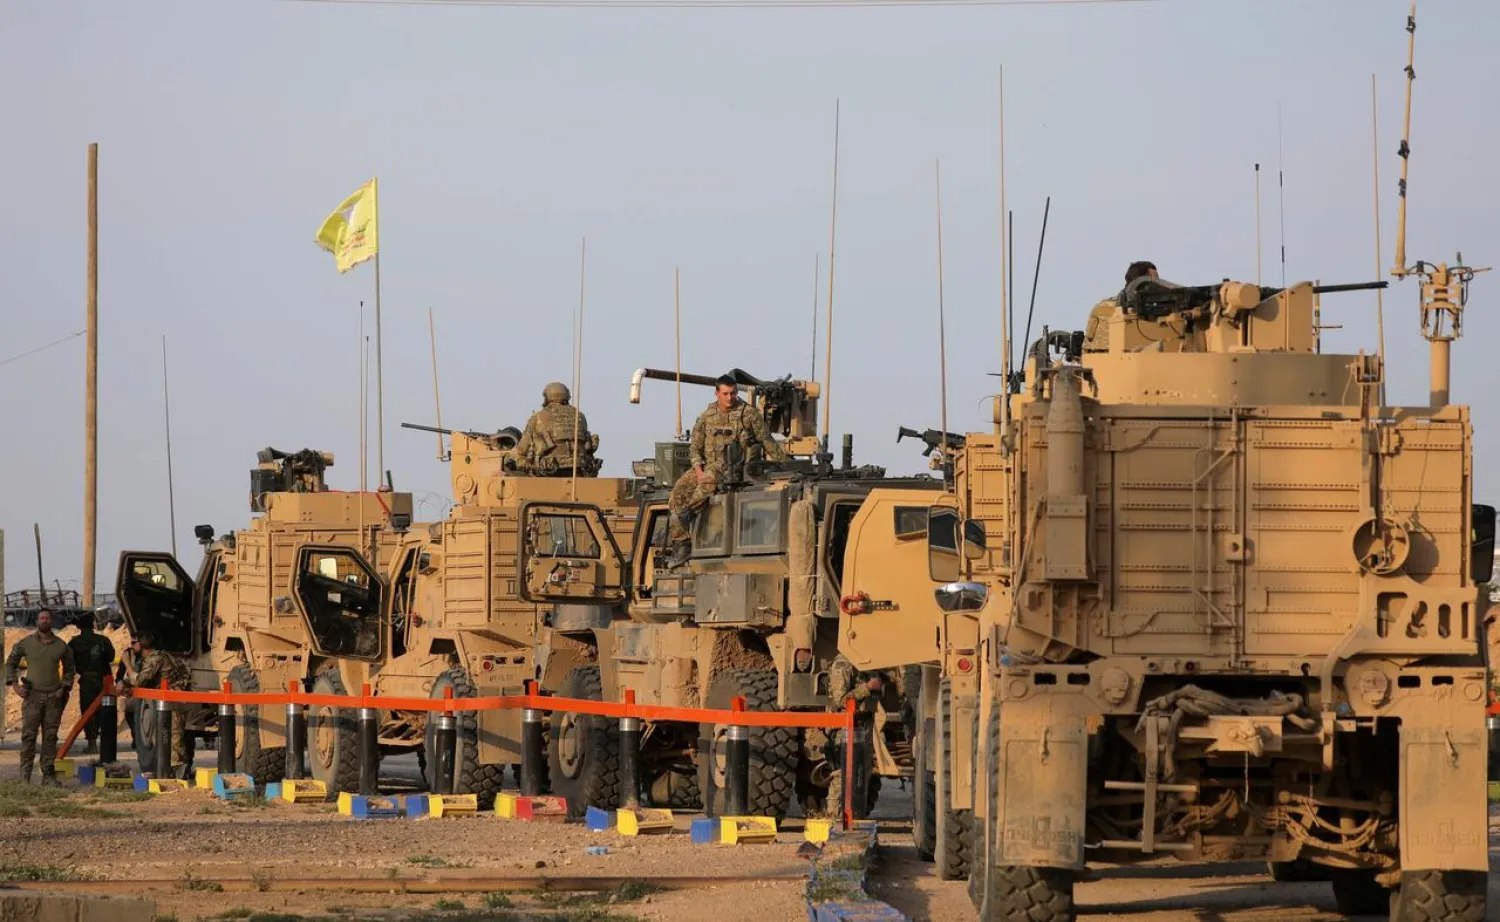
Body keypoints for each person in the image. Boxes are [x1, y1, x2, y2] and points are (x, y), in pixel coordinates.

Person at [665, 375, 788, 567]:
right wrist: (698, 469)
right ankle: (683, 543)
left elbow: (767, 441)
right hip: (705, 465)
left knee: (708, 482)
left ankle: (688, 514)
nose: (729, 397)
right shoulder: (707, 416)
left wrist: (786, 465)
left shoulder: (748, 414)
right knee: (676, 494)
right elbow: (695, 447)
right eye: (725, 394)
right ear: (717, 393)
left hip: (732, 467)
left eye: (733, 393)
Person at [4, 609, 76, 785]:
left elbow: (70, 669)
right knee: (28, 737)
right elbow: (10, 663)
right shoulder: (26, 643)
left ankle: (48, 776)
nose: (44, 620)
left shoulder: (61, 645)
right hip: (32, 697)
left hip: (54, 697)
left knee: (50, 738)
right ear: (37, 621)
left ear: (51, 621)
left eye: (47, 618)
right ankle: (24, 777)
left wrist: (64, 687)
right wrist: (15, 686)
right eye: (41, 618)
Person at [120, 633, 192, 778]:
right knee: (163, 739)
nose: (131, 647)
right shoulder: (151, 659)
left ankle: (179, 773)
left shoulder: (155, 658)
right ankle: (170, 772)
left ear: (142, 644)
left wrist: (127, 664)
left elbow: (140, 680)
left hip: (173, 702)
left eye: (134, 643)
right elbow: (144, 682)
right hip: (166, 702)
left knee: (174, 740)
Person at [506, 381, 601, 477]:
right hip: (579, 469)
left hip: (550, 470)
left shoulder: (538, 417)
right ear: (567, 396)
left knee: (510, 461)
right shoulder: (580, 416)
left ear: (547, 397)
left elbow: (522, 449)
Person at [1083, 260, 1161, 354]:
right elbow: (1087, 348)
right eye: (1154, 281)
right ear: (1140, 283)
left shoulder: (1163, 312)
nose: (1158, 285)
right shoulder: (1102, 309)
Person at [67, 613, 115, 755]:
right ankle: (105, 745)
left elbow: (69, 660)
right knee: (103, 711)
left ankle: (92, 744)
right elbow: (111, 657)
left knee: (87, 711)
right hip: (102, 681)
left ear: (79, 626)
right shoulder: (103, 640)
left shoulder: (74, 642)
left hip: (87, 680)